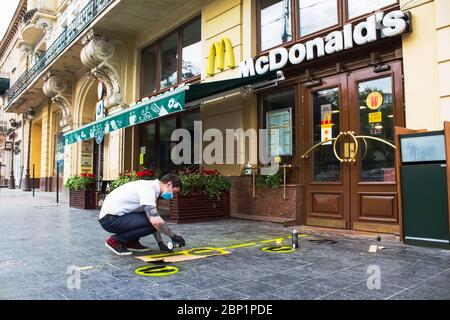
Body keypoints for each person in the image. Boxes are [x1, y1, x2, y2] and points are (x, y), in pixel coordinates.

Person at [98, 173, 186, 256]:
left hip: (114, 217)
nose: (172, 196)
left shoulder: (151, 189)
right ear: (169, 184)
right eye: (173, 192)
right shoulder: (148, 189)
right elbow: (155, 221)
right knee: (153, 221)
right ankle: (115, 241)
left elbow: (154, 218)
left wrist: (160, 243)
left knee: (152, 219)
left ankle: (131, 242)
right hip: (109, 220)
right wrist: (173, 236)